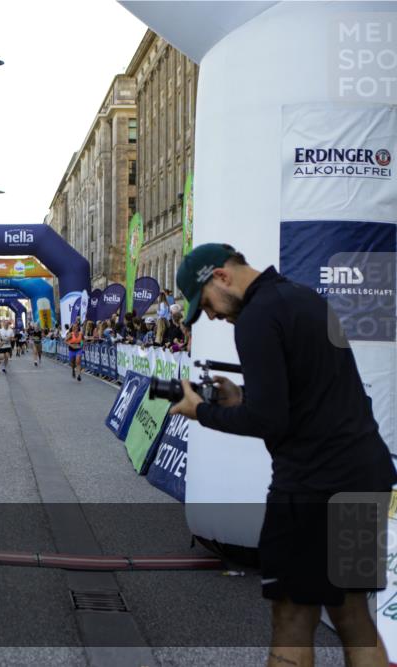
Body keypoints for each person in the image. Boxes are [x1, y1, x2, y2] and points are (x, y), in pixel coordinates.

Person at [169, 243, 395, 667]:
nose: (213, 315)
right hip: (363, 474)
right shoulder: (303, 297)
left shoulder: (255, 319)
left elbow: (270, 421)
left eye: (208, 305)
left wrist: (202, 411)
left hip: (312, 486)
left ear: (221, 276)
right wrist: (241, 399)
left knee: (291, 616)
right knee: (352, 615)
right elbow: (302, 397)